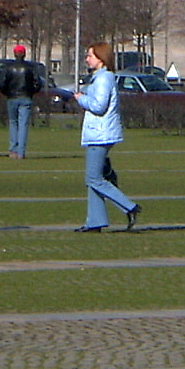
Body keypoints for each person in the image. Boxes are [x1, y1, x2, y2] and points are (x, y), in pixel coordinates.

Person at [72, 40, 140, 231]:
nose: (87, 59)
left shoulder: (103, 79)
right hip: (99, 133)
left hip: (100, 135)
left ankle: (129, 207)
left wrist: (81, 99)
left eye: (90, 56)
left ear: (101, 58)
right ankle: (95, 222)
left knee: (93, 179)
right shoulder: (101, 78)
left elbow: (99, 106)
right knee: (95, 178)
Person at [3, 42, 41, 159]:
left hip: (12, 97)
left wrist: (7, 93)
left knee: (13, 123)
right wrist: (31, 92)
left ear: (14, 54)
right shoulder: (30, 68)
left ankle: (13, 150)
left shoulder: (9, 68)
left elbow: (2, 83)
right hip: (26, 97)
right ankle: (21, 152)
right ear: (24, 54)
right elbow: (38, 83)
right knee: (23, 124)